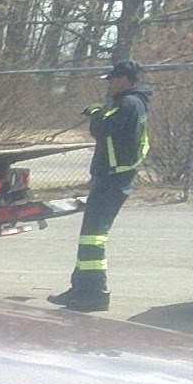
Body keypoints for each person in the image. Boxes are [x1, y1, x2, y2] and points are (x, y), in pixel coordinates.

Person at [48, 59, 151, 313]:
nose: (109, 86)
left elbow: (103, 128)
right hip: (113, 178)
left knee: (94, 238)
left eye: (113, 80)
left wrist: (95, 112)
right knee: (88, 237)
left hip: (113, 180)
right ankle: (81, 288)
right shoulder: (132, 103)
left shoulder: (128, 104)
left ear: (124, 80)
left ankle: (96, 293)